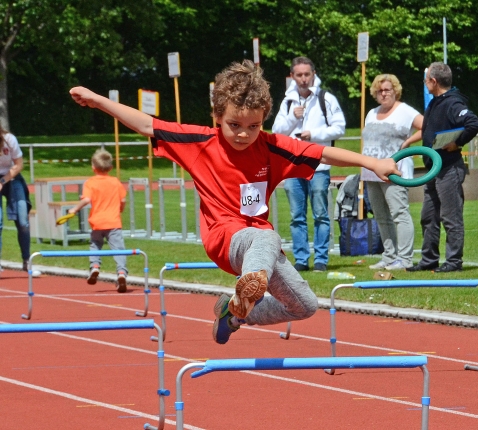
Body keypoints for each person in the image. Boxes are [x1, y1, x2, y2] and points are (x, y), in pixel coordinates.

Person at [69, 60, 399, 345]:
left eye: (253, 126)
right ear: (217, 115)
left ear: (264, 119)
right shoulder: (198, 142)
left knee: (305, 305)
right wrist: (98, 100)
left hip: (261, 249)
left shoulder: (272, 146)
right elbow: (145, 124)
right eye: (234, 125)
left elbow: (324, 152)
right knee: (267, 235)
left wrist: (372, 163)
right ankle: (250, 286)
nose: (243, 134)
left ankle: (233, 312)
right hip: (225, 238)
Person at [404, 62, 478, 273]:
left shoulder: (452, 103)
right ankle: (429, 259)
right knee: (428, 216)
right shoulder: (435, 103)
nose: (425, 83)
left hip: (448, 168)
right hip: (432, 169)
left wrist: (457, 143)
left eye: (426, 79)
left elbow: (473, 123)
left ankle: (454, 261)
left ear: (434, 81)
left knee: (451, 216)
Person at [272, 56, 346, 273]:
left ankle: (321, 258)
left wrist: (313, 134)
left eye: (307, 74)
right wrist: (293, 119)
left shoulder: (326, 98)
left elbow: (339, 128)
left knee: (321, 214)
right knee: (297, 216)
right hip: (292, 166)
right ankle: (302, 259)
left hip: (318, 165)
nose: (303, 79)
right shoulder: (288, 101)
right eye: (299, 75)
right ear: (292, 77)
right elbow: (276, 131)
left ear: (313, 74)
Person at [362, 74, 422, 271]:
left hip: (394, 172)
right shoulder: (371, 113)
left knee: (399, 214)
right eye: (380, 91)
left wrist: (408, 142)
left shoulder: (404, 111)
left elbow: (427, 125)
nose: (384, 93)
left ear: (395, 90)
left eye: (387, 89)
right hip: (371, 172)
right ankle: (389, 256)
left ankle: (404, 259)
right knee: (381, 216)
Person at [67, 149, 128, 292]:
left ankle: (95, 267)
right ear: (111, 168)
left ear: (93, 168)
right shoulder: (115, 181)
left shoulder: (90, 183)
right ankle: (121, 273)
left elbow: (87, 199)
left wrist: (74, 209)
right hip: (113, 222)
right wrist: (120, 209)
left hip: (97, 222)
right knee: (118, 250)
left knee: (95, 245)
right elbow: (123, 199)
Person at [0, 125, 41, 277]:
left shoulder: (10, 140)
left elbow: (19, 164)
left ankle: (26, 261)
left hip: (12, 177)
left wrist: (3, 181)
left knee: (23, 221)